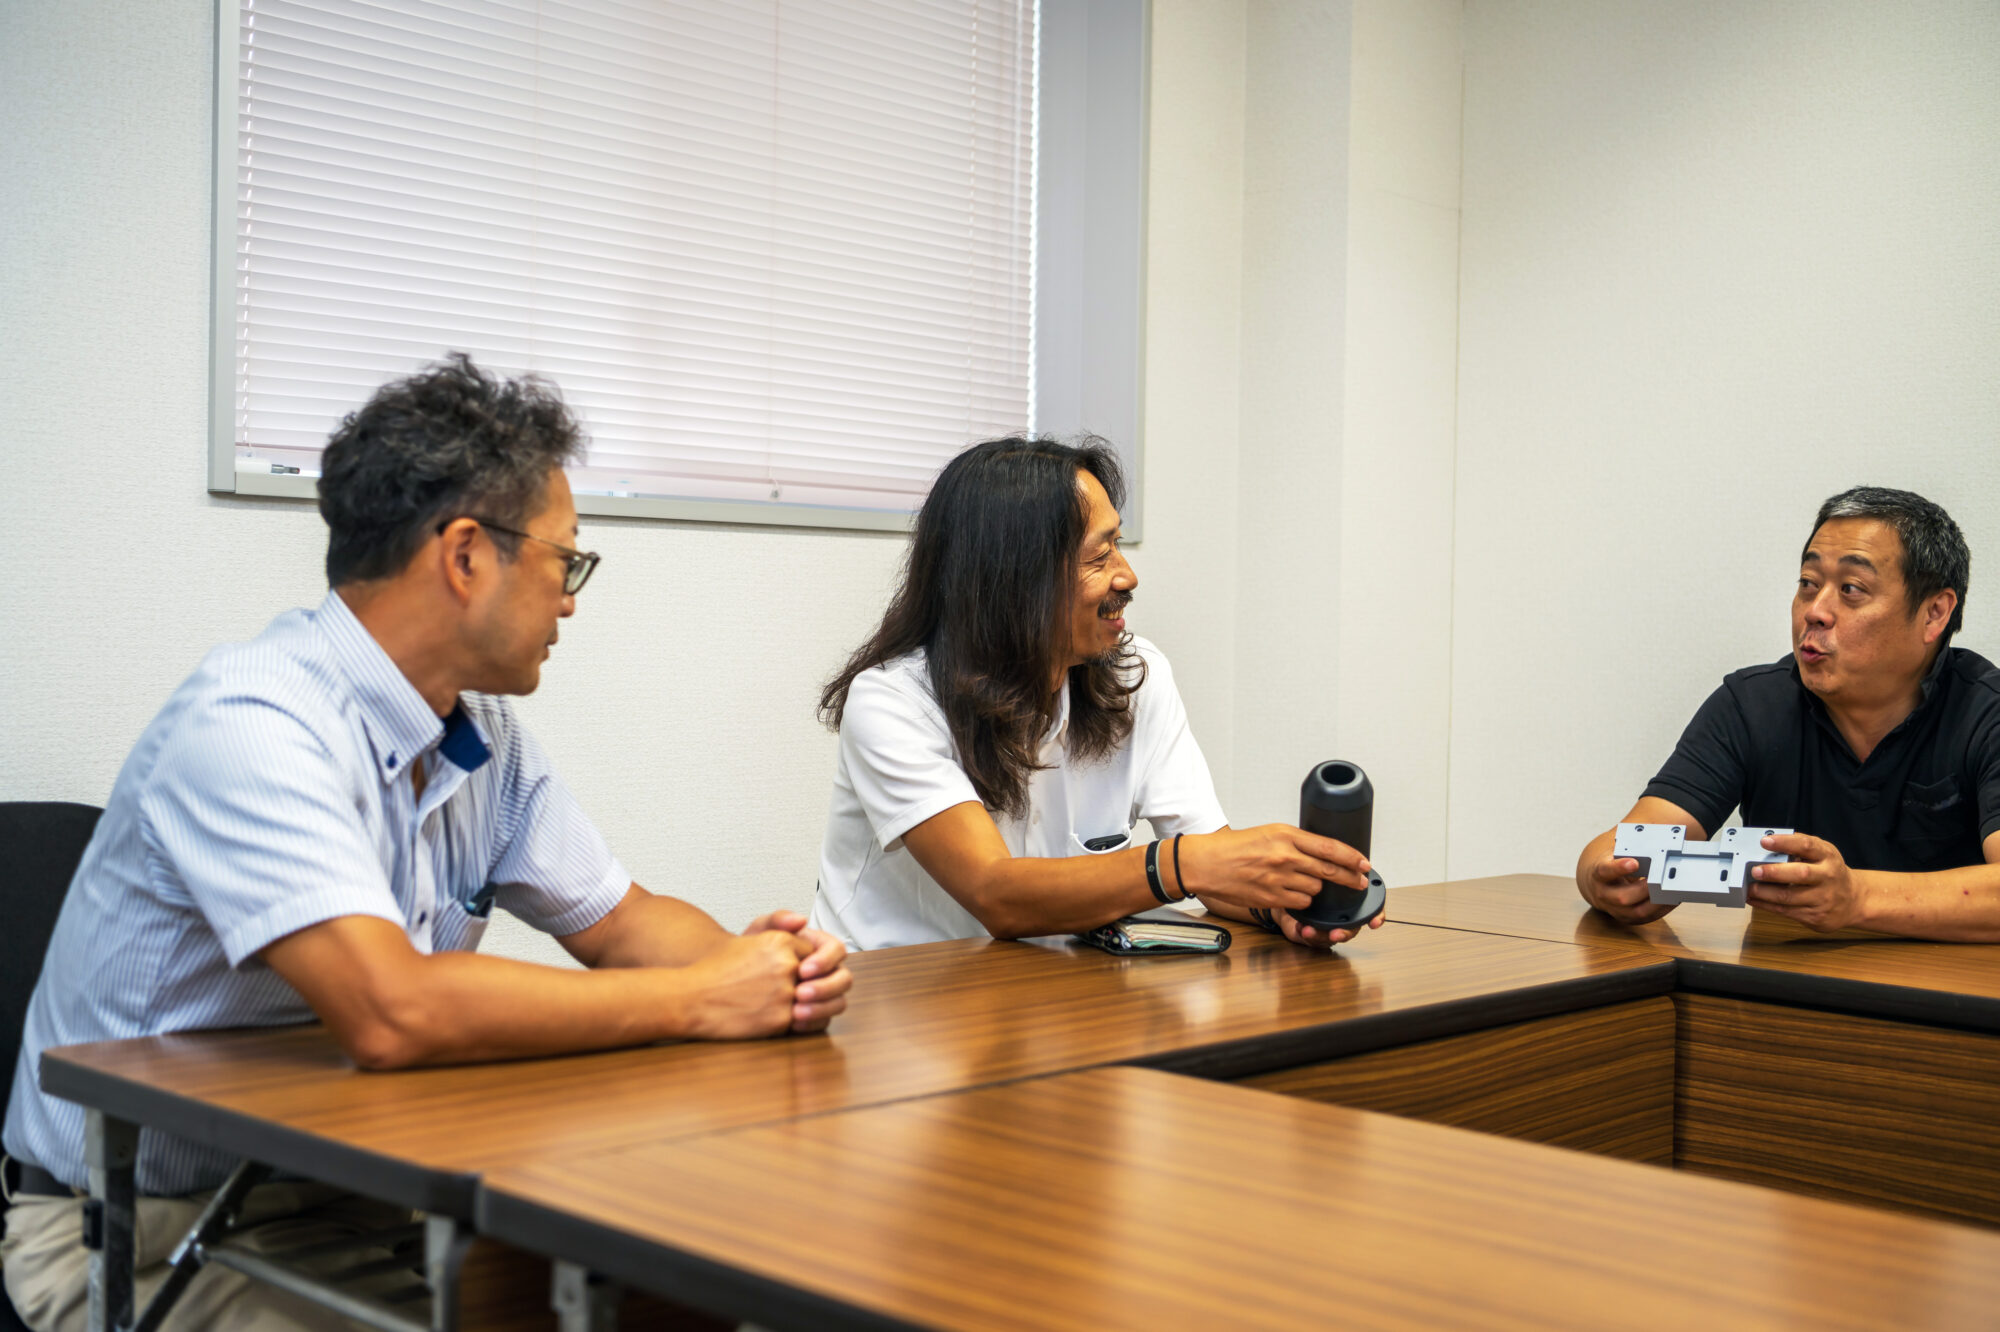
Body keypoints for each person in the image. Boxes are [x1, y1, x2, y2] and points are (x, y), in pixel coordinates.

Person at [1, 356, 851, 1331]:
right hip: (138, 1236)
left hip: (362, 1197)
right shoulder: (250, 724)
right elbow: (391, 1010)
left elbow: (623, 923)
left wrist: (770, 973)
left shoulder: (481, 733)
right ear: (465, 556)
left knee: (684, 1293)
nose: (571, 600)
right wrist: (702, 999)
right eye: (565, 563)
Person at [808, 434, 1384, 951]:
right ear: (1015, 579)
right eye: (1100, 554)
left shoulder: (1136, 674)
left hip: (1041, 997)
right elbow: (995, 893)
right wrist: (1180, 864)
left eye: (1119, 545)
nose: (1127, 576)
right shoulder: (893, 702)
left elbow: (1212, 867)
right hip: (890, 997)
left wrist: (1279, 902)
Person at [1576, 485, 2000, 941]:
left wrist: (1856, 898)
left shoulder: (1985, 712)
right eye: (1808, 584)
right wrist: (1606, 879)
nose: (1815, 612)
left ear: (1934, 613)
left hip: (1946, 981)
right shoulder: (1751, 705)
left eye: (1851, 589)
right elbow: (1620, 846)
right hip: (1784, 976)